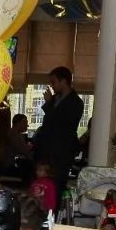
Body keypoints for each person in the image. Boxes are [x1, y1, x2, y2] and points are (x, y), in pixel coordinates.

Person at [33, 65, 85, 195]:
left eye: (53, 82)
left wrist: (49, 104)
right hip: (46, 151)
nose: (52, 86)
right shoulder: (55, 99)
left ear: (64, 81)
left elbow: (62, 125)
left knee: (56, 188)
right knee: (41, 187)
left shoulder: (75, 102)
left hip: (61, 153)